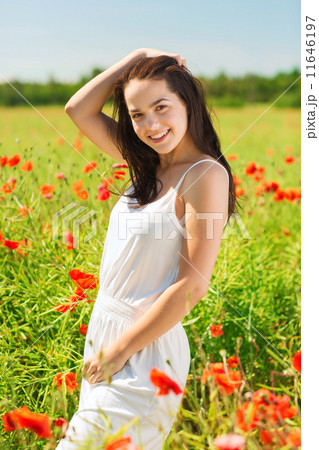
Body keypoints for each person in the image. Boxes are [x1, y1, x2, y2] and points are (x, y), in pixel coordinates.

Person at [56, 48, 238, 449]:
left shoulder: (204, 174)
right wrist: (136, 57)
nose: (151, 125)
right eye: (137, 115)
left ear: (187, 103)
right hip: (108, 335)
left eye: (161, 107)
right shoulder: (148, 164)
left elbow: (192, 285)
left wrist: (119, 350)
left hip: (144, 349)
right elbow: (78, 109)